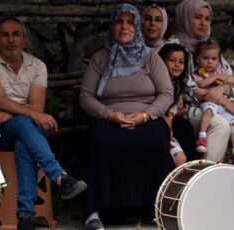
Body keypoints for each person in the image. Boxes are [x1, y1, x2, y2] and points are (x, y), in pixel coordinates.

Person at [0, 17, 87, 230]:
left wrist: (11, 115)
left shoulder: (37, 66)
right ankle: (59, 176)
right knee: (26, 124)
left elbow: (37, 107)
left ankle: (26, 218)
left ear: (24, 40)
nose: (10, 40)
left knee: (25, 143)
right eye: (5, 35)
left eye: (16, 34)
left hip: (21, 128)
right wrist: (20, 114)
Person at [79, 4, 175, 229]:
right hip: (109, 117)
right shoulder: (100, 58)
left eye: (130, 22)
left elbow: (166, 93)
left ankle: (159, 207)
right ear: (112, 26)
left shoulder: (150, 57)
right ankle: (95, 212)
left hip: (146, 116)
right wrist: (109, 114)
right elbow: (86, 96)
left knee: (153, 140)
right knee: (101, 141)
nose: (124, 27)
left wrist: (145, 115)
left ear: (137, 27)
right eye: (119, 22)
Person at [170, 0, 234, 161]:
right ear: (185, 17)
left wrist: (223, 89)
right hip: (184, 108)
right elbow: (191, 89)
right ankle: (206, 175)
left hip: (212, 105)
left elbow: (227, 80)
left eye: (207, 19)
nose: (203, 23)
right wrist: (223, 99)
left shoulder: (208, 46)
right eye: (197, 17)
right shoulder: (174, 47)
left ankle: (226, 166)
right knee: (221, 124)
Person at [192, 40, 234, 158]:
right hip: (208, 103)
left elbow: (230, 84)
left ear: (218, 60)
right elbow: (202, 84)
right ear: (198, 59)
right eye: (205, 58)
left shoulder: (220, 71)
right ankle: (202, 136)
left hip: (222, 106)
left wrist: (226, 79)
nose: (210, 62)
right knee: (208, 111)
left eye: (214, 59)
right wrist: (217, 77)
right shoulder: (198, 73)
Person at [158, 43, 189, 166]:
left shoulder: (176, 84)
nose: (177, 65)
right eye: (172, 60)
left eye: (181, 62)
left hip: (167, 126)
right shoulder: (156, 83)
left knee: (181, 158)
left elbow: (172, 110)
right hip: (157, 125)